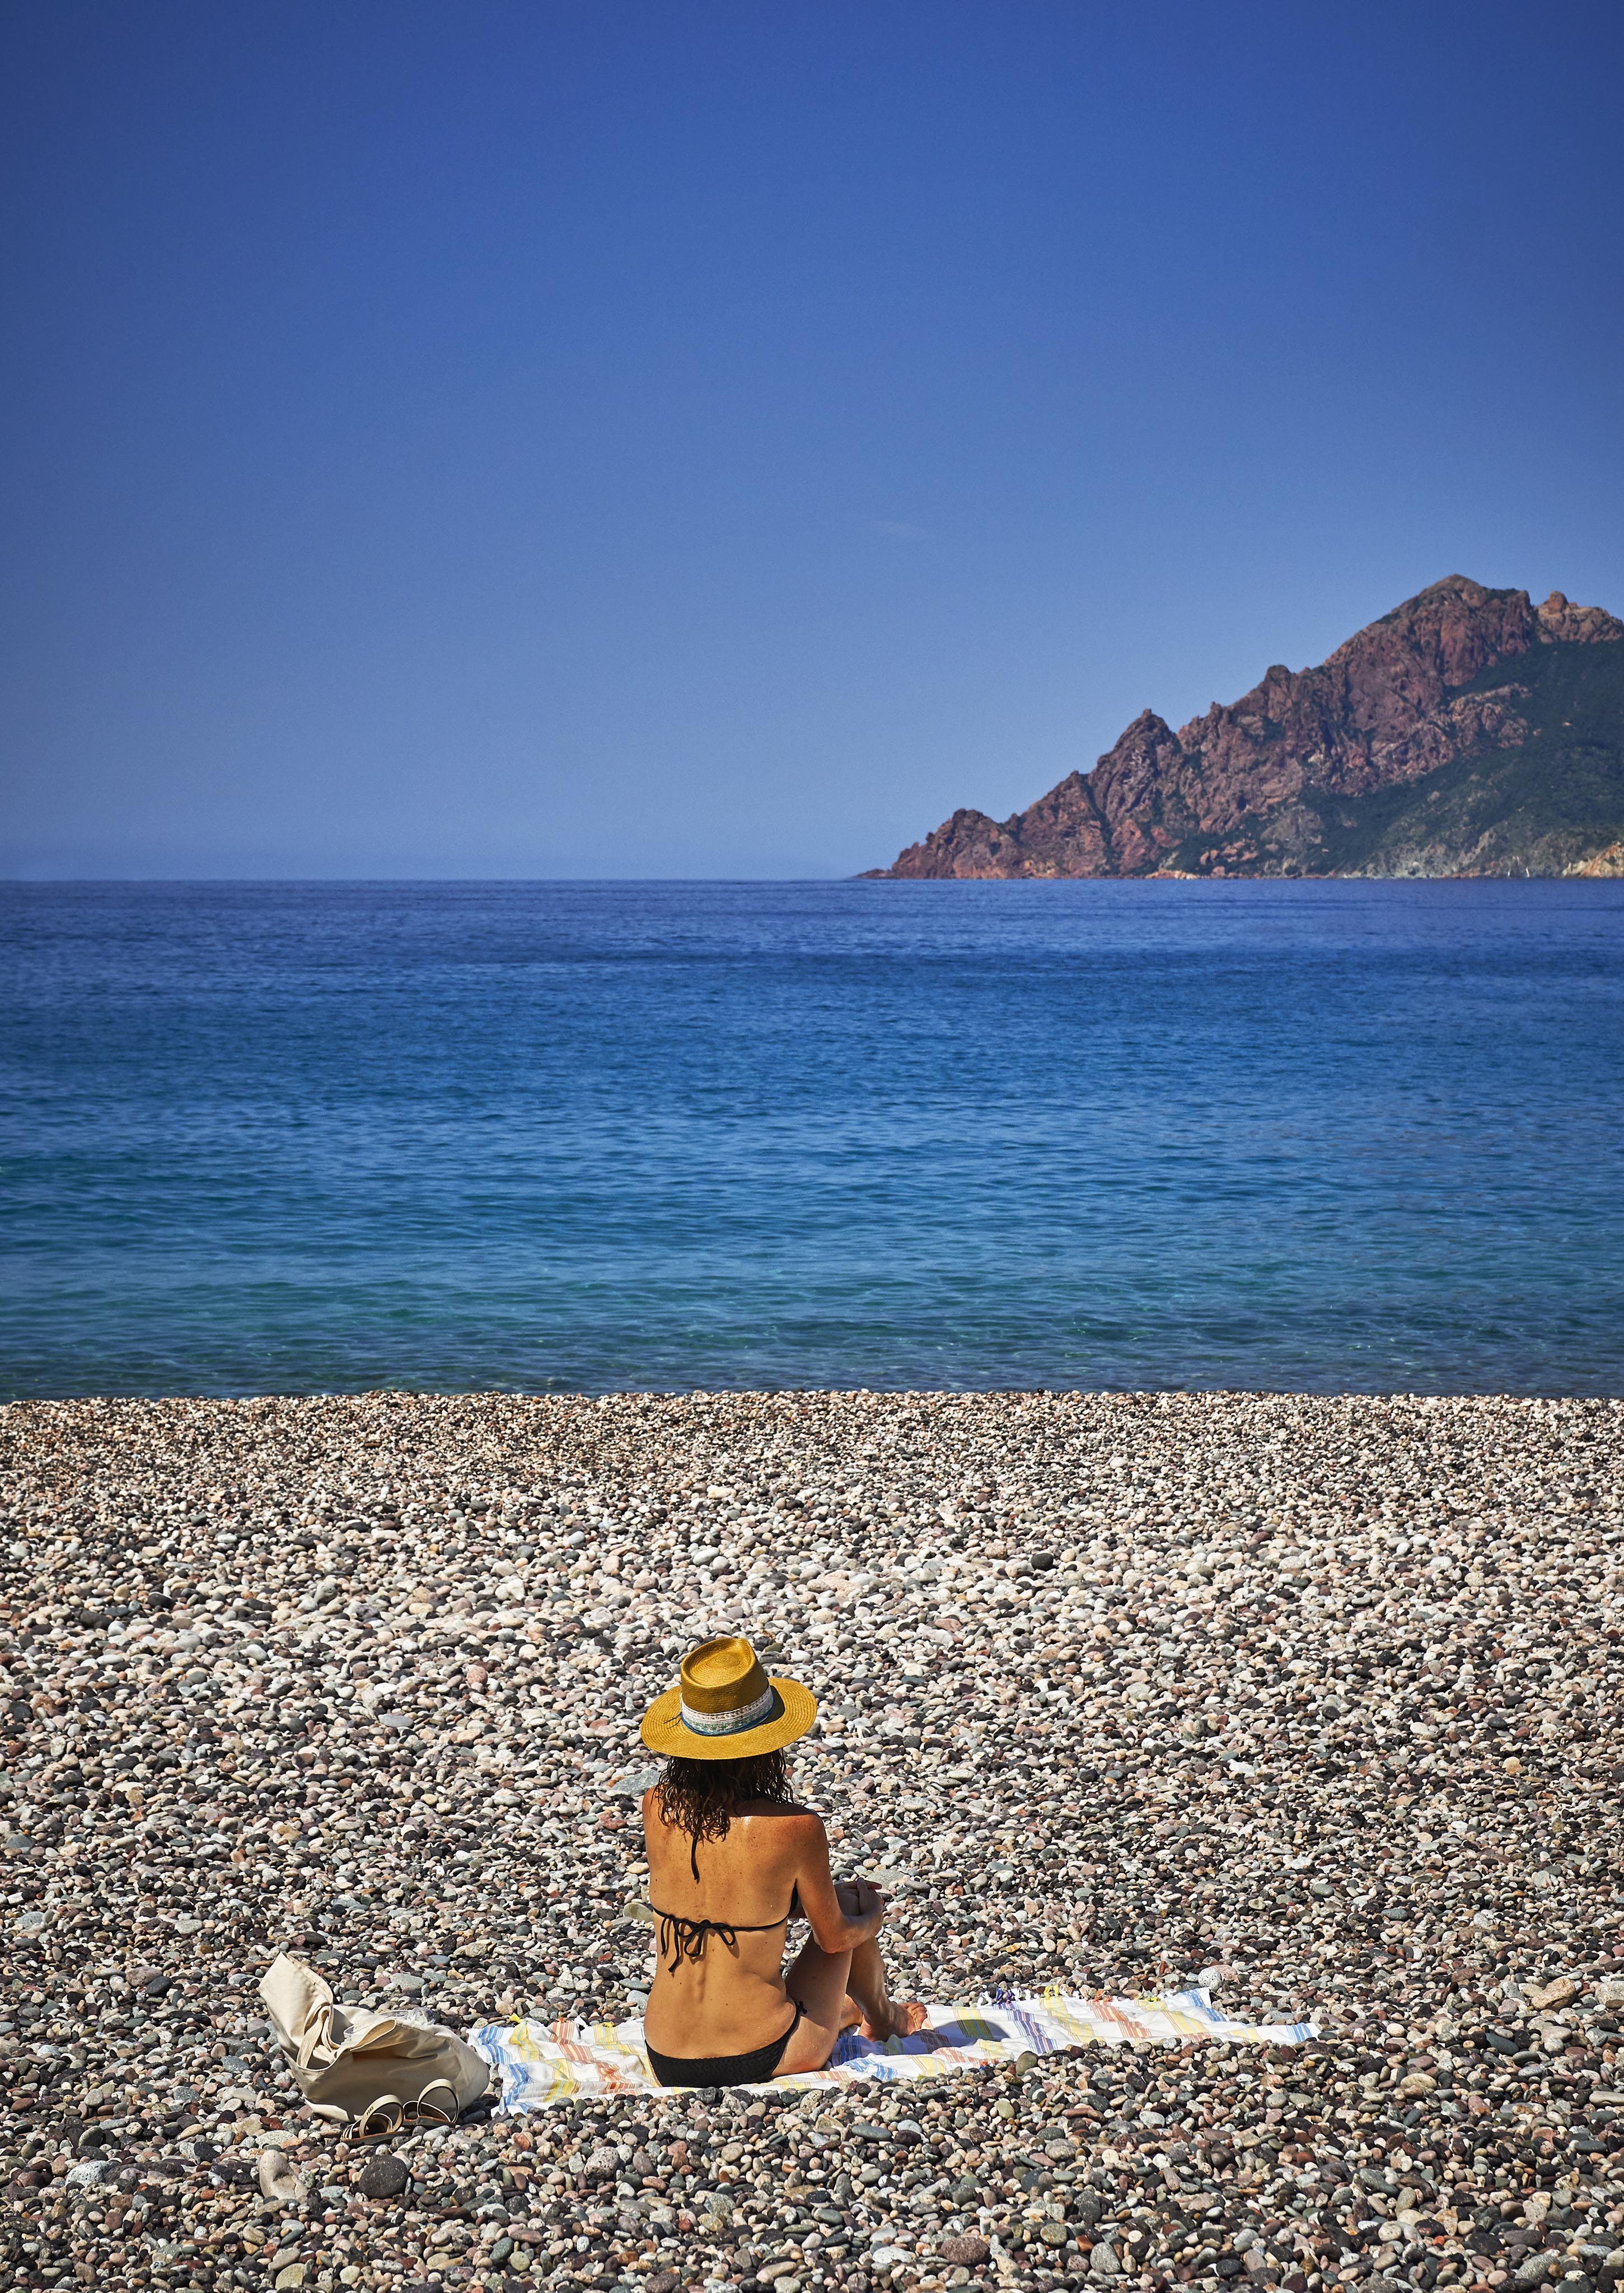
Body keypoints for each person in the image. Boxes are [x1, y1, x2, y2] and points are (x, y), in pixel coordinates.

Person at [638, 1634, 926, 2086]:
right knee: (849, 1905)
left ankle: (849, 2010)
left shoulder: (655, 1805)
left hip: (665, 2055)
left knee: (821, 1909)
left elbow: (721, 1896)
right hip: (763, 2053)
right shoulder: (794, 1827)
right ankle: (884, 2016)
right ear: (766, 1743)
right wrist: (872, 1916)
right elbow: (834, 1940)